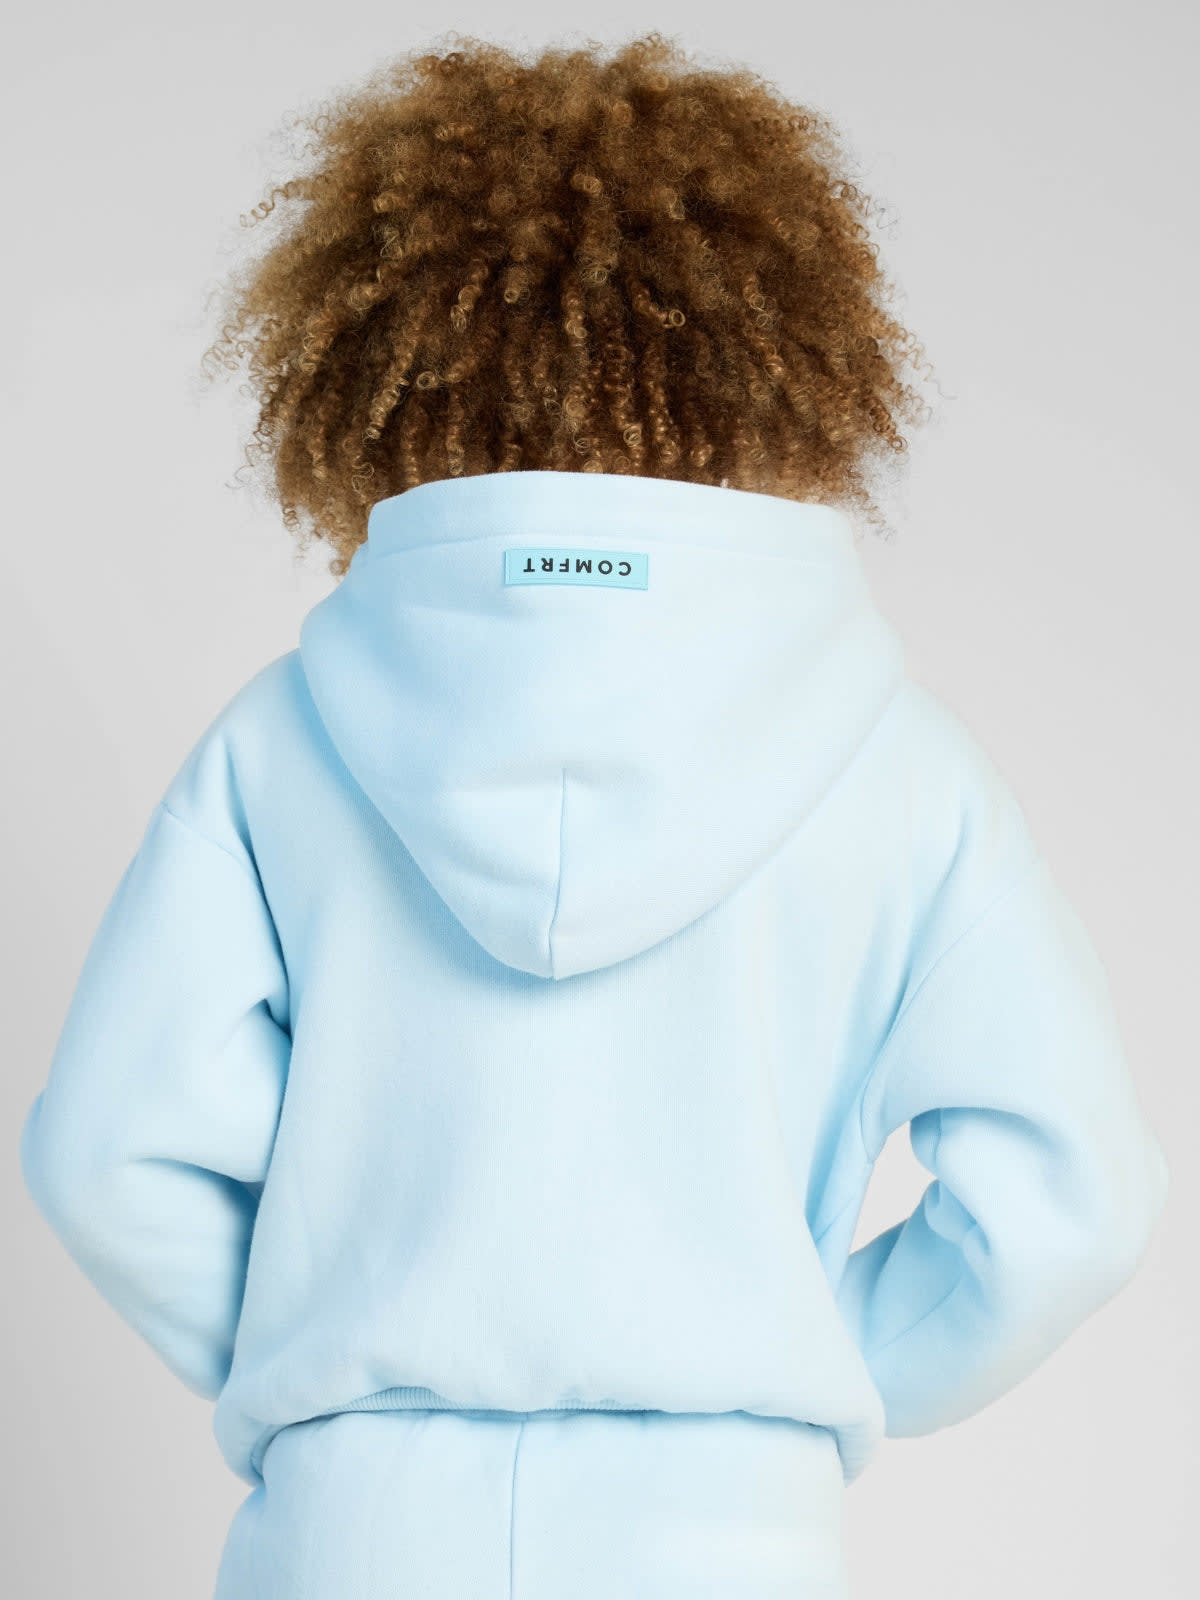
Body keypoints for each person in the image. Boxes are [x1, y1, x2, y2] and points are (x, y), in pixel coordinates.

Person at [18, 30, 1168, 1600]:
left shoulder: (281, 743)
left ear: (370, 363)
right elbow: (1070, 1204)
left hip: (347, 1537)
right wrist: (785, 1369)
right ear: (784, 349)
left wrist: (331, 1358)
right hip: (731, 1544)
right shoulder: (905, 767)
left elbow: (106, 1151)